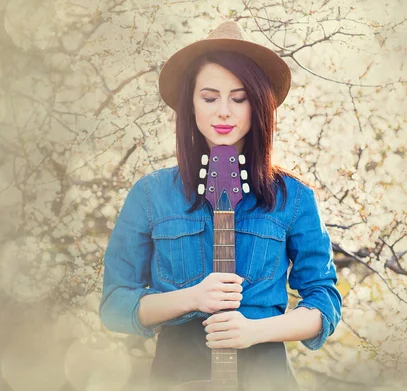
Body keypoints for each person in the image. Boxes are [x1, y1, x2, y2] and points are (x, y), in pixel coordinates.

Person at [99, 20, 343, 391]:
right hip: (176, 374)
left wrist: (255, 330)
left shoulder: (293, 197)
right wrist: (191, 298)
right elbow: (115, 306)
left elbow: (323, 300)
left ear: (258, 103)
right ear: (190, 104)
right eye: (209, 98)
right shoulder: (150, 194)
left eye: (240, 98)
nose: (224, 112)